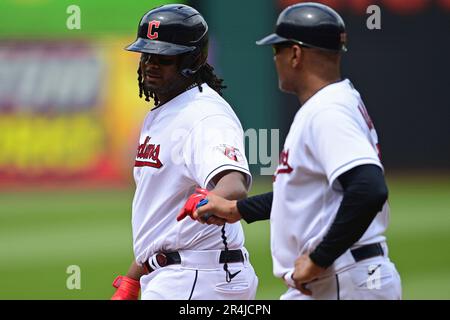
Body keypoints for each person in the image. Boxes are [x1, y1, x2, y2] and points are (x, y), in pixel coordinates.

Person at [182, 2, 402, 300]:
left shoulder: (328, 111)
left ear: (295, 54)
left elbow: (369, 188)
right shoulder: (336, 102)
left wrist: (317, 259)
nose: (276, 60)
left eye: (278, 51)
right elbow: (305, 195)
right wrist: (237, 210)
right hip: (344, 277)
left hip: (343, 278)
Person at [111, 4, 258, 300]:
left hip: (198, 278)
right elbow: (162, 219)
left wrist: (213, 198)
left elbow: (234, 182)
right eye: (146, 54)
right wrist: (132, 278)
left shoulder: (204, 114)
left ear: (192, 59)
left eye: (164, 56)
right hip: (179, 275)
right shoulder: (165, 111)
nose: (151, 63)